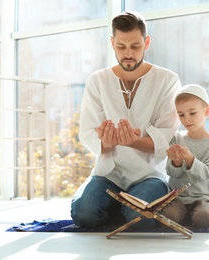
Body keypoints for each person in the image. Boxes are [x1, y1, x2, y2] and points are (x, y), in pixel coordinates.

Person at [70, 11, 181, 228]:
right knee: (84, 214)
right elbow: (87, 133)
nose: (128, 53)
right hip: (109, 174)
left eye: (135, 46)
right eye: (121, 47)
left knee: (137, 219)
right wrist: (107, 142)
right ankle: (116, 205)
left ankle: (125, 208)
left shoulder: (167, 80)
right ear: (112, 43)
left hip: (150, 174)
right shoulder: (97, 81)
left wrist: (133, 142)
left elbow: (165, 137)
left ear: (146, 42)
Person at [162, 84, 209, 228]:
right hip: (178, 198)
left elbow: (208, 174)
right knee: (167, 217)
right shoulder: (176, 138)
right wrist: (176, 163)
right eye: (181, 115)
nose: (187, 119)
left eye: (192, 113)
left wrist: (190, 159)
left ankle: (197, 217)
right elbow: (170, 173)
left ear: (207, 110)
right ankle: (188, 218)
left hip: (204, 198)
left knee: (204, 219)